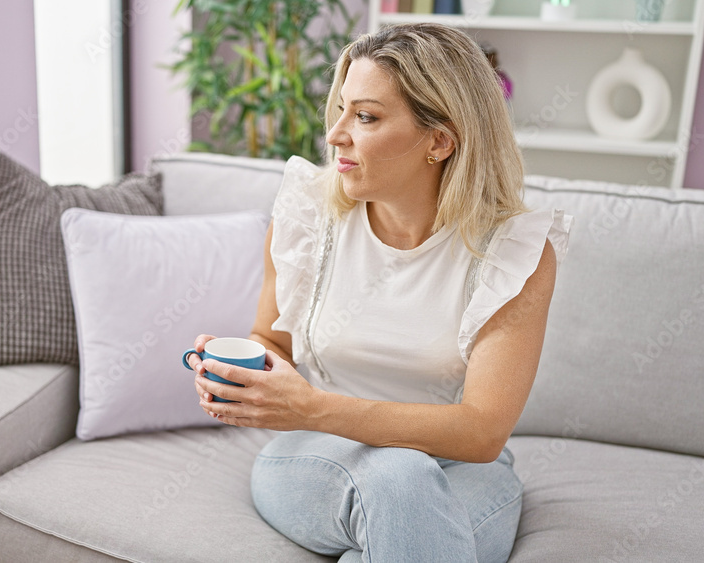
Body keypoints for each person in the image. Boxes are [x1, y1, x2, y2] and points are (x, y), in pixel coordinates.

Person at [184, 22, 571, 563]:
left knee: (401, 504)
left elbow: (482, 432)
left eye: (364, 116)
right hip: (316, 454)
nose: (335, 133)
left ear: (440, 139)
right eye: (341, 109)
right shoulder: (307, 217)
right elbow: (270, 341)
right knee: (400, 473)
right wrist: (246, 375)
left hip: (461, 470)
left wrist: (314, 406)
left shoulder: (513, 253)